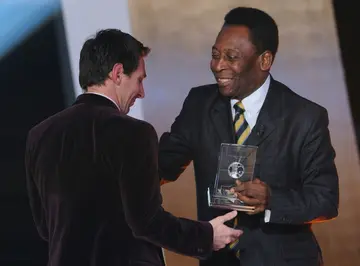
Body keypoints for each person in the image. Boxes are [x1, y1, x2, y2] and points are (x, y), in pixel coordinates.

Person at [24, 29, 243, 266]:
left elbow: (46, 227)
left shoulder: (39, 136)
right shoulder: (133, 132)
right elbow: (146, 221)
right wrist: (207, 236)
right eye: (139, 80)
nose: (141, 92)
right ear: (118, 73)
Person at [159, 7, 339, 266]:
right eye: (215, 54)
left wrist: (271, 200)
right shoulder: (199, 104)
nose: (218, 65)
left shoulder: (305, 117)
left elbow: (325, 200)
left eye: (231, 57)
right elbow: (160, 165)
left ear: (264, 60)